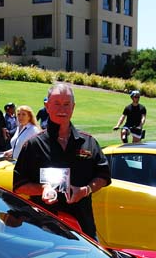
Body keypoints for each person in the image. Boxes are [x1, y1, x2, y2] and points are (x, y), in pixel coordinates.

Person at [13, 83, 111, 240]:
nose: (62, 109)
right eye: (57, 103)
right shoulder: (33, 145)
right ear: (47, 106)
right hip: (45, 231)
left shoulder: (88, 142)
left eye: (66, 104)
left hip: (83, 230)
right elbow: (18, 185)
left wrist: (85, 190)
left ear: (73, 107)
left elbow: (104, 176)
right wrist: (43, 189)